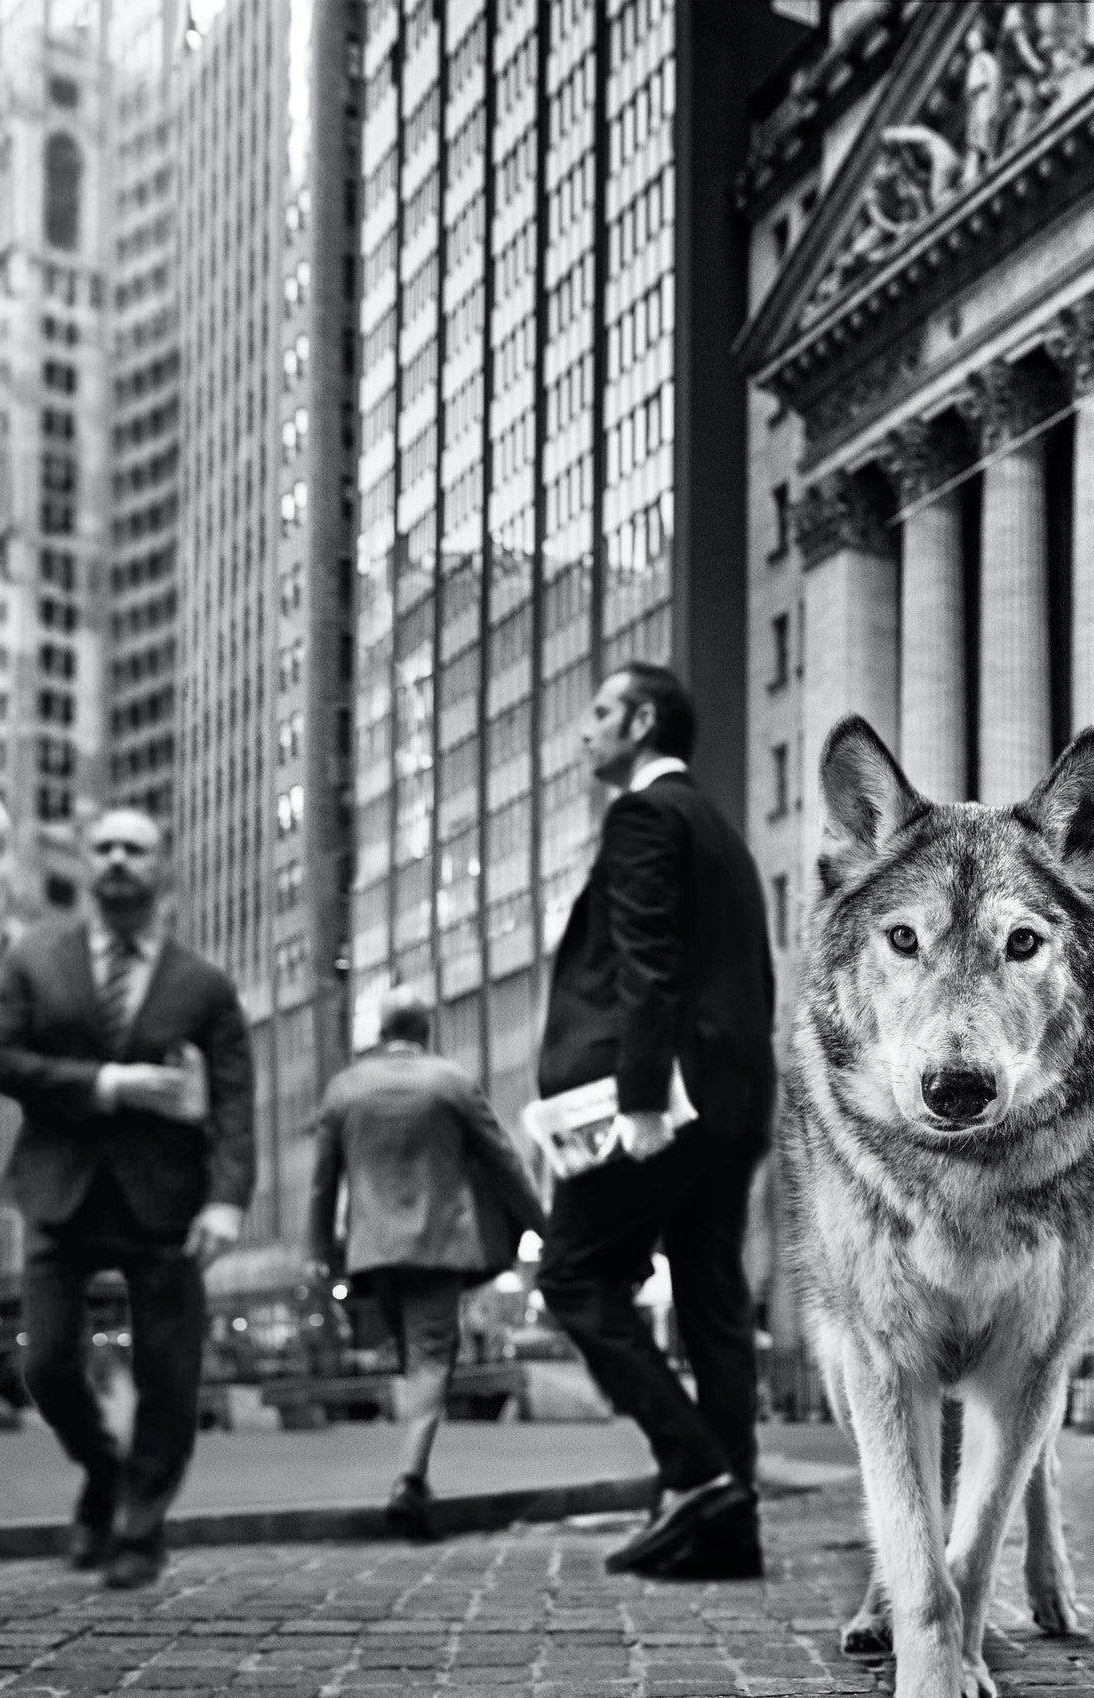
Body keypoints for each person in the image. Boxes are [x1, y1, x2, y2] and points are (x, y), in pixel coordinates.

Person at [536, 663, 777, 1579]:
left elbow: (647, 964)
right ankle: (729, 1526)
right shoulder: (721, 831)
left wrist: (639, 1099)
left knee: (571, 1272)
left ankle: (698, 1469)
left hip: (661, 1101)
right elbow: (748, 978)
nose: (586, 731)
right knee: (713, 1296)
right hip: (734, 1100)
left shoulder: (643, 816)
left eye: (600, 713)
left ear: (639, 720)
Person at [0, 807, 255, 1587]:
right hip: (57, 1189)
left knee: (170, 1371)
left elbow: (235, 1100)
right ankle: (104, 1471)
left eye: (136, 848)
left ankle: (140, 1524)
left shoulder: (203, 982)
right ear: (86, 863)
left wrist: (227, 1199)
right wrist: (105, 1084)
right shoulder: (36, 958)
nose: (119, 859)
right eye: (105, 847)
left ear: (162, 866)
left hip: (167, 1199)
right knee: (49, 1364)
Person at [309, 987, 546, 1539]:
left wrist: (318, 1251)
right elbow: (504, 1159)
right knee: (431, 1360)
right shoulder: (451, 1083)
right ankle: (410, 1480)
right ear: (427, 1029)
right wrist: (542, 1226)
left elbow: (325, 1180)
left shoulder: (345, 1088)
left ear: (380, 1032)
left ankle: (413, 1470)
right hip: (439, 1246)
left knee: (414, 1355)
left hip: (372, 1253)